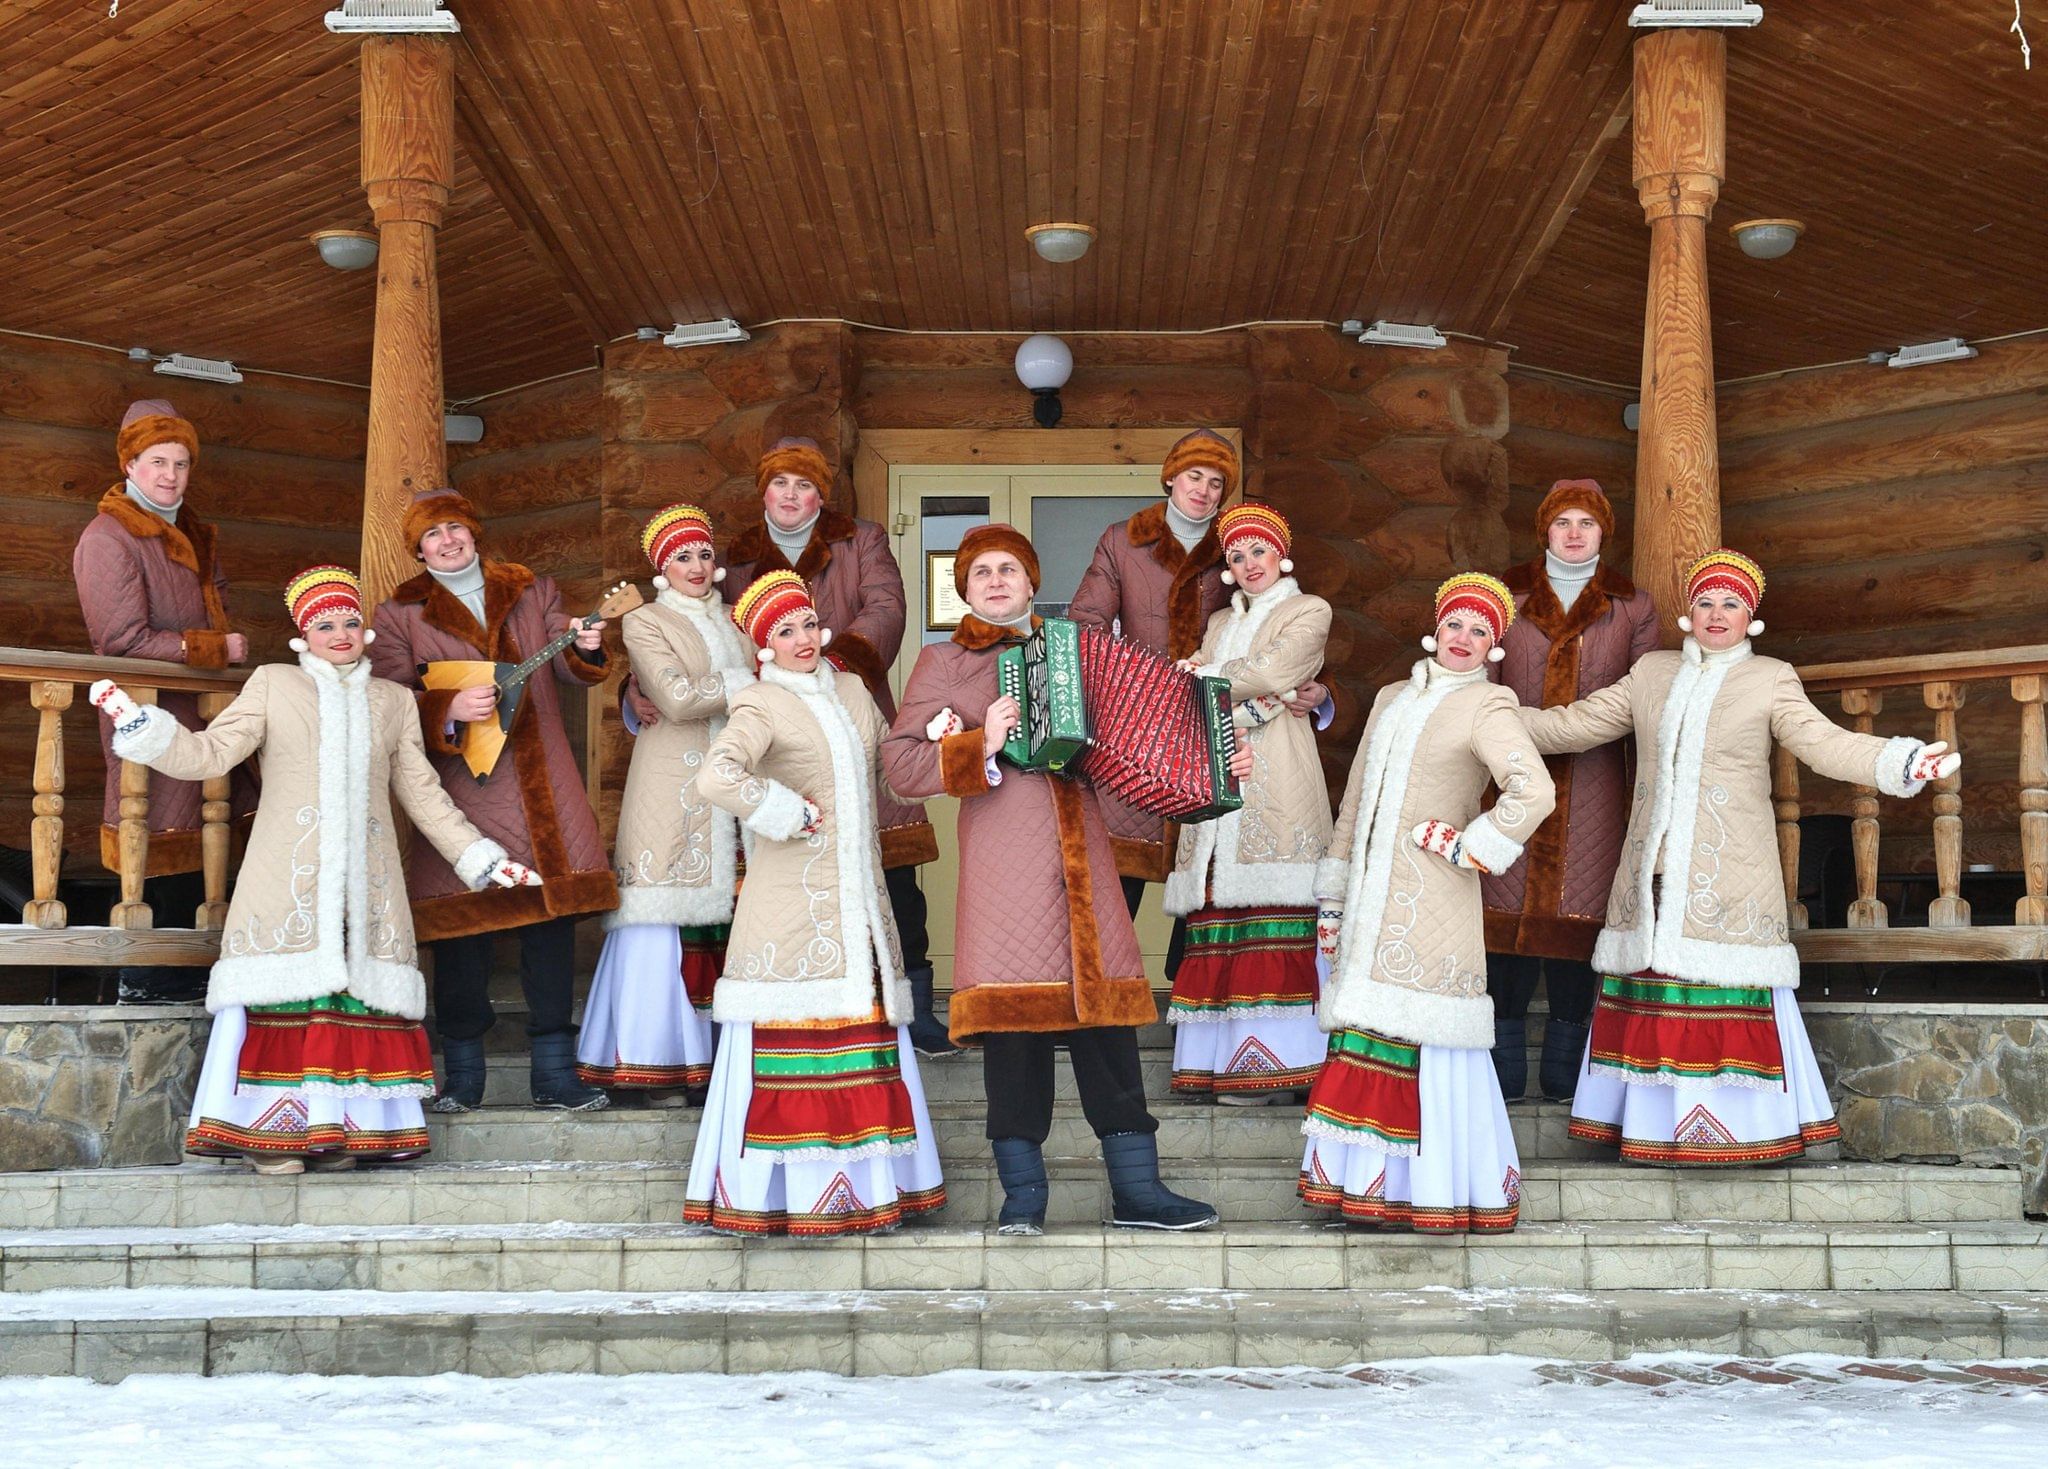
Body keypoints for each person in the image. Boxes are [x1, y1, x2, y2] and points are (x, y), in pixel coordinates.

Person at [89, 567, 539, 1174]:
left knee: (353, 1001)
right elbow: (209, 754)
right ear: (304, 632)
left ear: (365, 629)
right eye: (325, 623)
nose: (340, 632)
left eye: (350, 621)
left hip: (368, 887)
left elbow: (424, 794)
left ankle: (336, 1137)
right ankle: (272, 1140)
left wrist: (483, 858)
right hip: (288, 879)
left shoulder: (394, 702)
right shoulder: (274, 684)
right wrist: (140, 726)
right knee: (289, 999)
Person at [1521, 549, 1959, 1166]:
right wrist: (1489, 719)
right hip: (1652, 872)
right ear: (1689, 615)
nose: (1716, 613)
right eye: (1705, 602)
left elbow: (1823, 743)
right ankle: (1655, 1132)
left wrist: (1899, 760)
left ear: (1750, 616)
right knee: (1656, 994)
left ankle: (1737, 1134)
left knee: (1720, 991)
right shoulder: (1651, 674)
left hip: (1730, 873)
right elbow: (1576, 724)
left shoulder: (1771, 678)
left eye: (1731, 603)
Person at [883, 524, 1220, 1233]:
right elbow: (902, 766)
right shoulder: (942, 661)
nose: (998, 581)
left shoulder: (1077, 654)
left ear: (1033, 582)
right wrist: (985, 742)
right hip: (1006, 863)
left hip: (1085, 860)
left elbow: (1140, 745)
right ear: (964, 588)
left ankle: (1139, 1191)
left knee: (1107, 1027)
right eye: (982, 573)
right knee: (1013, 1031)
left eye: (1011, 569)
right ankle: (1023, 1196)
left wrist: (1211, 762)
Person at [683, 570, 944, 1235]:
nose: (801, 639)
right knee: (795, 1048)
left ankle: (864, 1194)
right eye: (784, 631)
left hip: (859, 910)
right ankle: (783, 1199)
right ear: (764, 646)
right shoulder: (761, 702)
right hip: (789, 912)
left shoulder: (854, 688)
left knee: (863, 1040)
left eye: (806, 624)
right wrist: (781, 809)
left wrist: (944, 741)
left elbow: (896, 769)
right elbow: (717, 774)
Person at [1301, 573, 1556, 1233]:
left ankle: (1434, 1189)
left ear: (1493, 646)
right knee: (1369, 1030)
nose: (1464, 638)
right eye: (1455, 625)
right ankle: (1365, 1190)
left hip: (1429, 900)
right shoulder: (1390, 696)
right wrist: (1334, 888)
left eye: (1480, 630)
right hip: (1367, 900)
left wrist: (1474, 844)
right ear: (1435, 629)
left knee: (1425, 1035)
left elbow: (1533, 790)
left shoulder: (1489, 705)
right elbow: (1357, 798)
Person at [368, 487, 618, 1113]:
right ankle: (464, 1077)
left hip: (541, 779)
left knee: (550, 923)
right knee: (464, 929)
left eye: (455, 528)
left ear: (473, 532)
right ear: (419, 550)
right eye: (433, 535)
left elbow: (564, 654)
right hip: (460, 789)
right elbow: (389, 695)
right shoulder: (399, 613)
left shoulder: (531, 588)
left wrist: (584, 647)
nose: (448, 541)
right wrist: (445, 708)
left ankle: (555, 1074)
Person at [714, 437, 951, 1056]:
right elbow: (714, 631)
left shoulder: (861, 540)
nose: (792, 497)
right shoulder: (737, 555)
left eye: (805, 486)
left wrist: (826, 666)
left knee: (895, 872)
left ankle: (913, 1007)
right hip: (778, 732)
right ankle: (789, 1002)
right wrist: (777, 682)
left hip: (853, 709)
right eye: (781, 484)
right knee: (788, 869)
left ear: (823, 495)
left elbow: (887, 609)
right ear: (763, 491)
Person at [1483, 479, 1659, 1103]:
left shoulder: (1632, 605)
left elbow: (1643, 694)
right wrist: (1505, 737)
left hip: (1596, 777)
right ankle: (1501, 1062)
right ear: (1545, 531)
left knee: (1578, 917)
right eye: (1564, 523)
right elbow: (1480, 683)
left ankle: (1565, 1065)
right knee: (1502, 917)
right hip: (1507, 774)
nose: (1576, 533)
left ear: (1603, 533)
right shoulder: (1505, 594)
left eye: (1588, 523)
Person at [73, 398, 253, 1004]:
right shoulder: (108, 535)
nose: (170, 475)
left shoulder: (193, 530)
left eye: (180, 462)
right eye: (157, 461)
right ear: (129, 464)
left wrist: (225, 654)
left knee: (206, 831)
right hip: (149, 713)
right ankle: (146, 981)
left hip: (205, 716)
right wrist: (215, 648)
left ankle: (194, 976)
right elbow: (121, 641)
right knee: (158, 831)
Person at [577, 504, 754, 1103]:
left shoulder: (739, 619)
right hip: (670, 789)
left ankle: (723, 1066)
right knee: (664, 921)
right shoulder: (646, 623)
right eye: (682, 557)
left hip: (735, 793)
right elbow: (676, 699)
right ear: (661, 568)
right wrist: (746, 680)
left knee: (728, 921)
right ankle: (659, 1066)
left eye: (704, 553)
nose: (696, 565)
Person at [1161, 503, 1333, 1104]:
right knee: (1219, 910)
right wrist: (1240, 685)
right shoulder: (1217, 624)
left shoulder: (1308, 610)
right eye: (1235, 555)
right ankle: (1222, 1067)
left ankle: (1283, 1068)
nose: (1247, 562)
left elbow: (1281, 667)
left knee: (1272, 906)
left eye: (1257, 550)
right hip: (1216, 777)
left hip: (1278, 773)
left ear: (1279, 555)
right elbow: (1255, 681)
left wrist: (1202, 681)